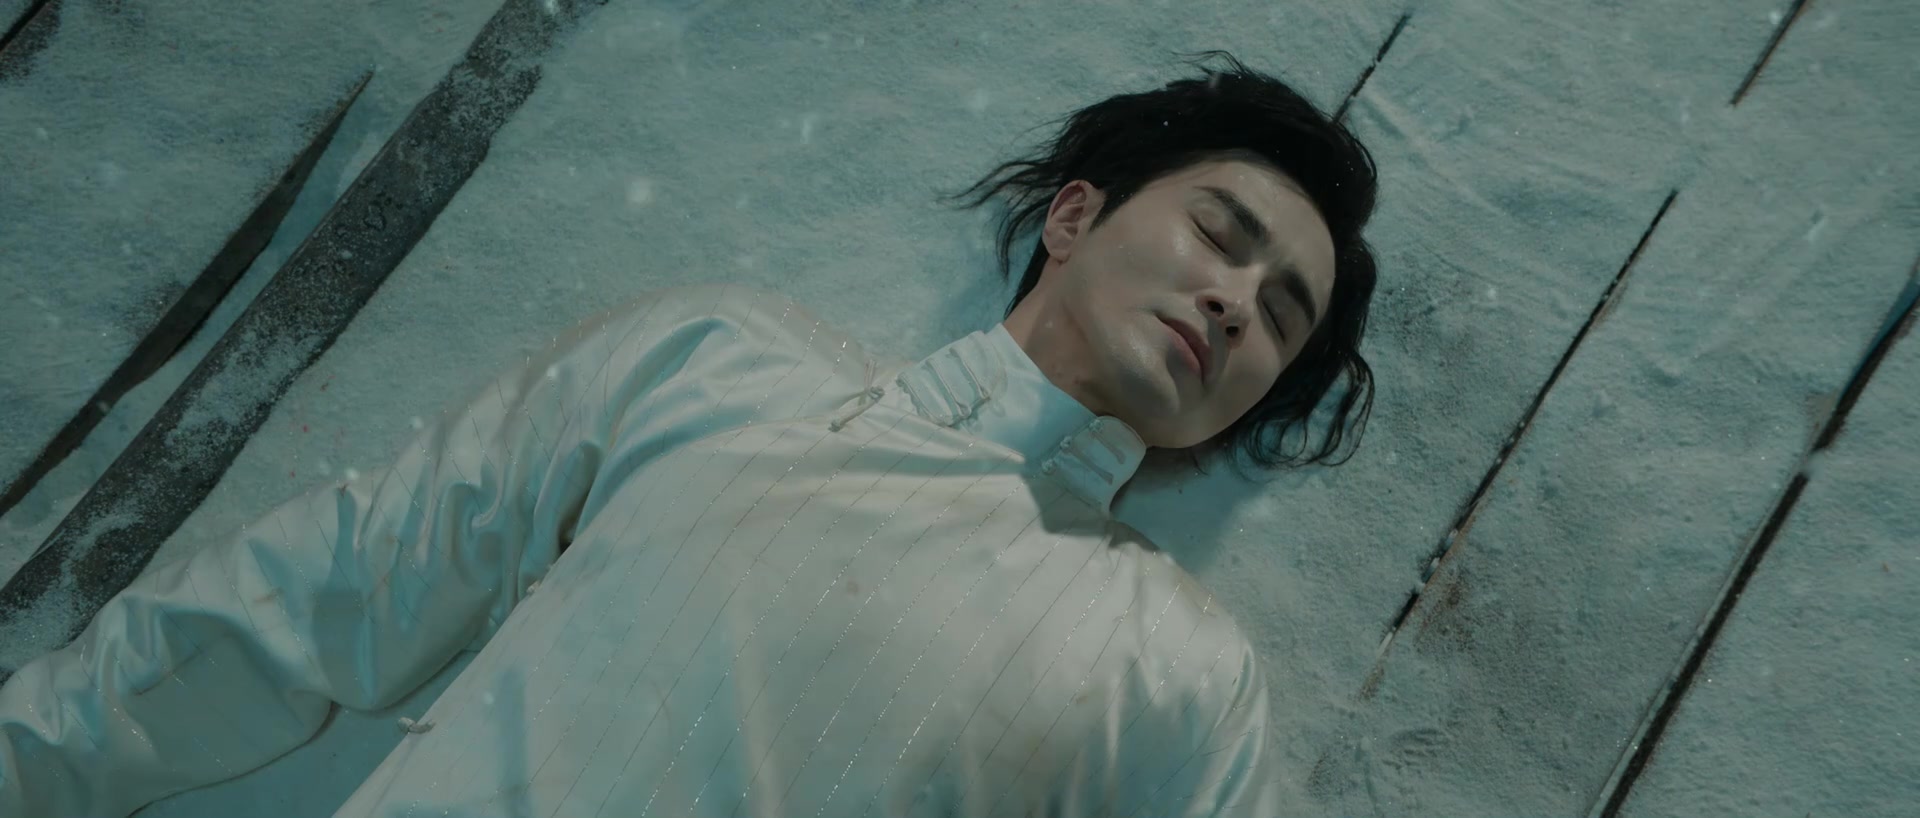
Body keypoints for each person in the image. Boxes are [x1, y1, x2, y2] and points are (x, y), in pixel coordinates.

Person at [0, 51, 1378, 817]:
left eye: (1281, 313)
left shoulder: (1181, 676)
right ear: (1075, 214)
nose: (1235, 298)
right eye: (1222, 232)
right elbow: (315, 598)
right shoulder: (723, 362)